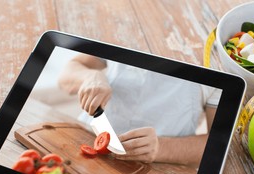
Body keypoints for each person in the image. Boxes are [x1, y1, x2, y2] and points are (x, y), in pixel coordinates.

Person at [58, 54, 221, 166]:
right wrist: (88, 76)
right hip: (84, 141)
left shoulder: (217, 61)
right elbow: (66, 75)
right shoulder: (122, 25)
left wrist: (161, 148)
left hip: (157, 170)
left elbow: (218, 145)